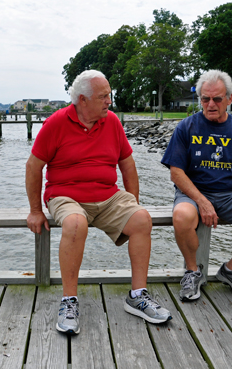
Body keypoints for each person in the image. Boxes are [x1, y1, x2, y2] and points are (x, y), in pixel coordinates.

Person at [25, 69, 172, 335]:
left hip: (107, 194)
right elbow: (34, 167)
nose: (109, 101)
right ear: (83, 100)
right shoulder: (56, 124)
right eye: (104, 96)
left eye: (109, 95)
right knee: (75, 223)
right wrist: (36, 211)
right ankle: (69, 301)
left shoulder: (112, 122)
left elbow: (127, 165)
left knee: (141, 219)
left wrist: (132, 205)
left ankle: (138, 296)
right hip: (65, 194)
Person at [161, 69, 232, 302]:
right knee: (182, 216)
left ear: (229, 99)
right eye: (205, 99)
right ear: (200, 99)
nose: (211, 104)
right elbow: (176, 173)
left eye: (217, 98)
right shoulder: (186, 127)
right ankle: (193, 271)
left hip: (231, 194)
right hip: (194, 193)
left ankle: (231, 270)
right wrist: (202, 201)